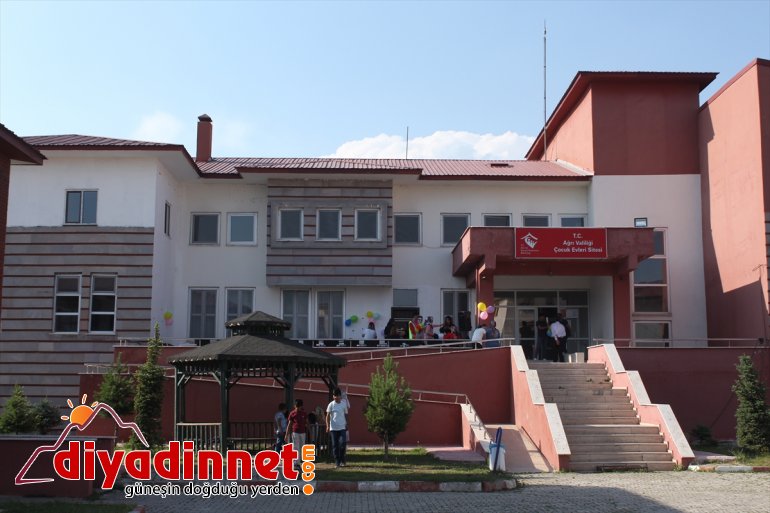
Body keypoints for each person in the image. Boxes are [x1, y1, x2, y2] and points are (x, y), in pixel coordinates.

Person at [326, 388, 349, 467]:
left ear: (340, 396)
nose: (336, 397)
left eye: (337, 396)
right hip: (333, 428)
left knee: (343, 443)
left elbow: (346, 414)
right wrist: (327, 426)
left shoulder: (343, 404)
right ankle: (337, 462)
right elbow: (327, 416)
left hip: (342, 427)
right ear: (333, 396)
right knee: (335, 445)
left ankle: (342, 459)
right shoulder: (331, 404)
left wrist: (346, 423)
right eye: (334, 396)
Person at [285, 399, 308, 469]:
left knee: (302, 447)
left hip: (303, 432)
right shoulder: (292, 413)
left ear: (301, 406)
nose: (298, 408)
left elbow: (307, 423)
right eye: (297, 406)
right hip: (295, 432)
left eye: (299, 406)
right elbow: (289, 424)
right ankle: (296, 463)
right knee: (296, 447)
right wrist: (286, 434)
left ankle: (299, 461)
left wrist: (308, 430)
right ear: (294, 406)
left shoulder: (304, 413)